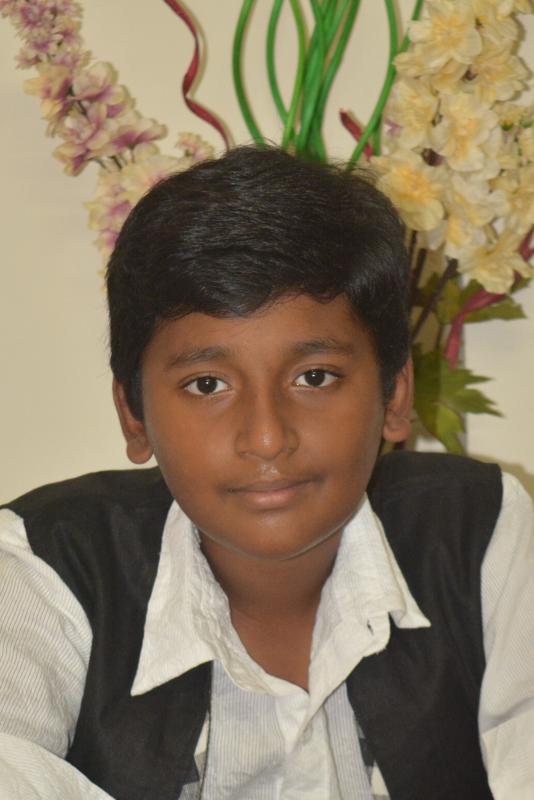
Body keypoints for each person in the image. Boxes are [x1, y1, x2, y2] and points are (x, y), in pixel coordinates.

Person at [0, 146, 533, 800]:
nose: (266, 436)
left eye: (315, 377)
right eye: (207, 384)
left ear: (394, 395)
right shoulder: (50, 563)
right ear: (134, 415)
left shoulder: (478, 534)